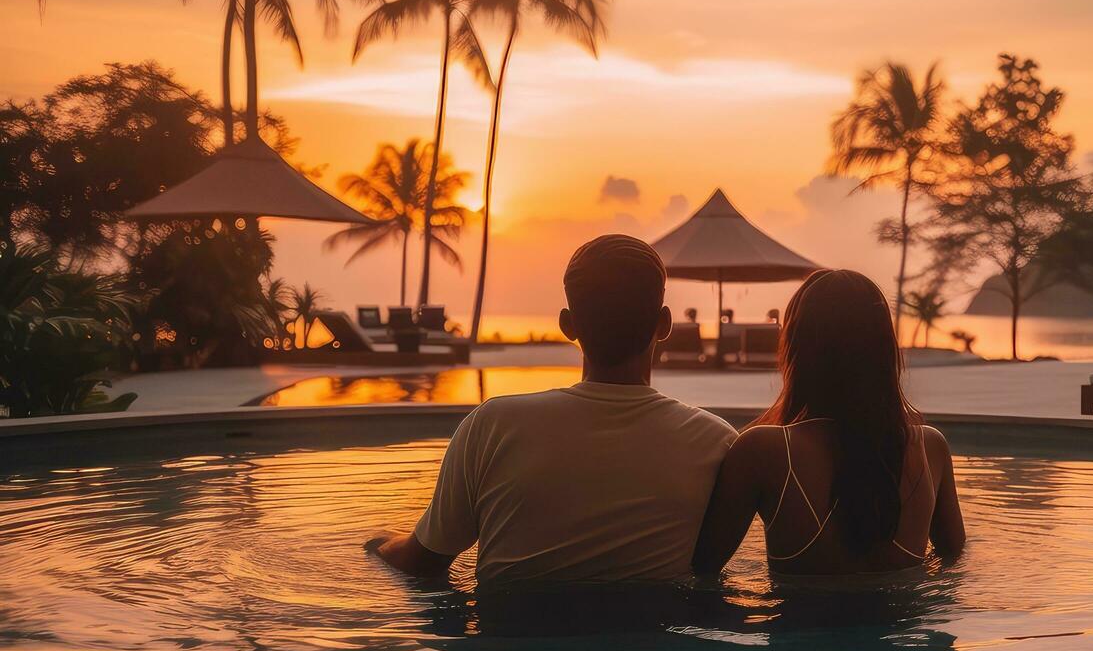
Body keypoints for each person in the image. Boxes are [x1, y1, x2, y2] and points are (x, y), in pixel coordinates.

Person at [369, 235, 737, 583]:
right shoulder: (715, 442)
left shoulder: (494, 425)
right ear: (665, 324)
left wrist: (378, 543)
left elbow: (423, 562)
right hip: (657, 643)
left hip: (506, 642)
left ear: (567, 325)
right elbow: (705, 572)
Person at [693, 269, 965, 576]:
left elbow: (702, 570)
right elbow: (952, 562)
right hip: (906, 620)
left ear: (798, 348)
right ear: (885, 350)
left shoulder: (763, 450)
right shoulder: (930, 448)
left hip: (796, 621)